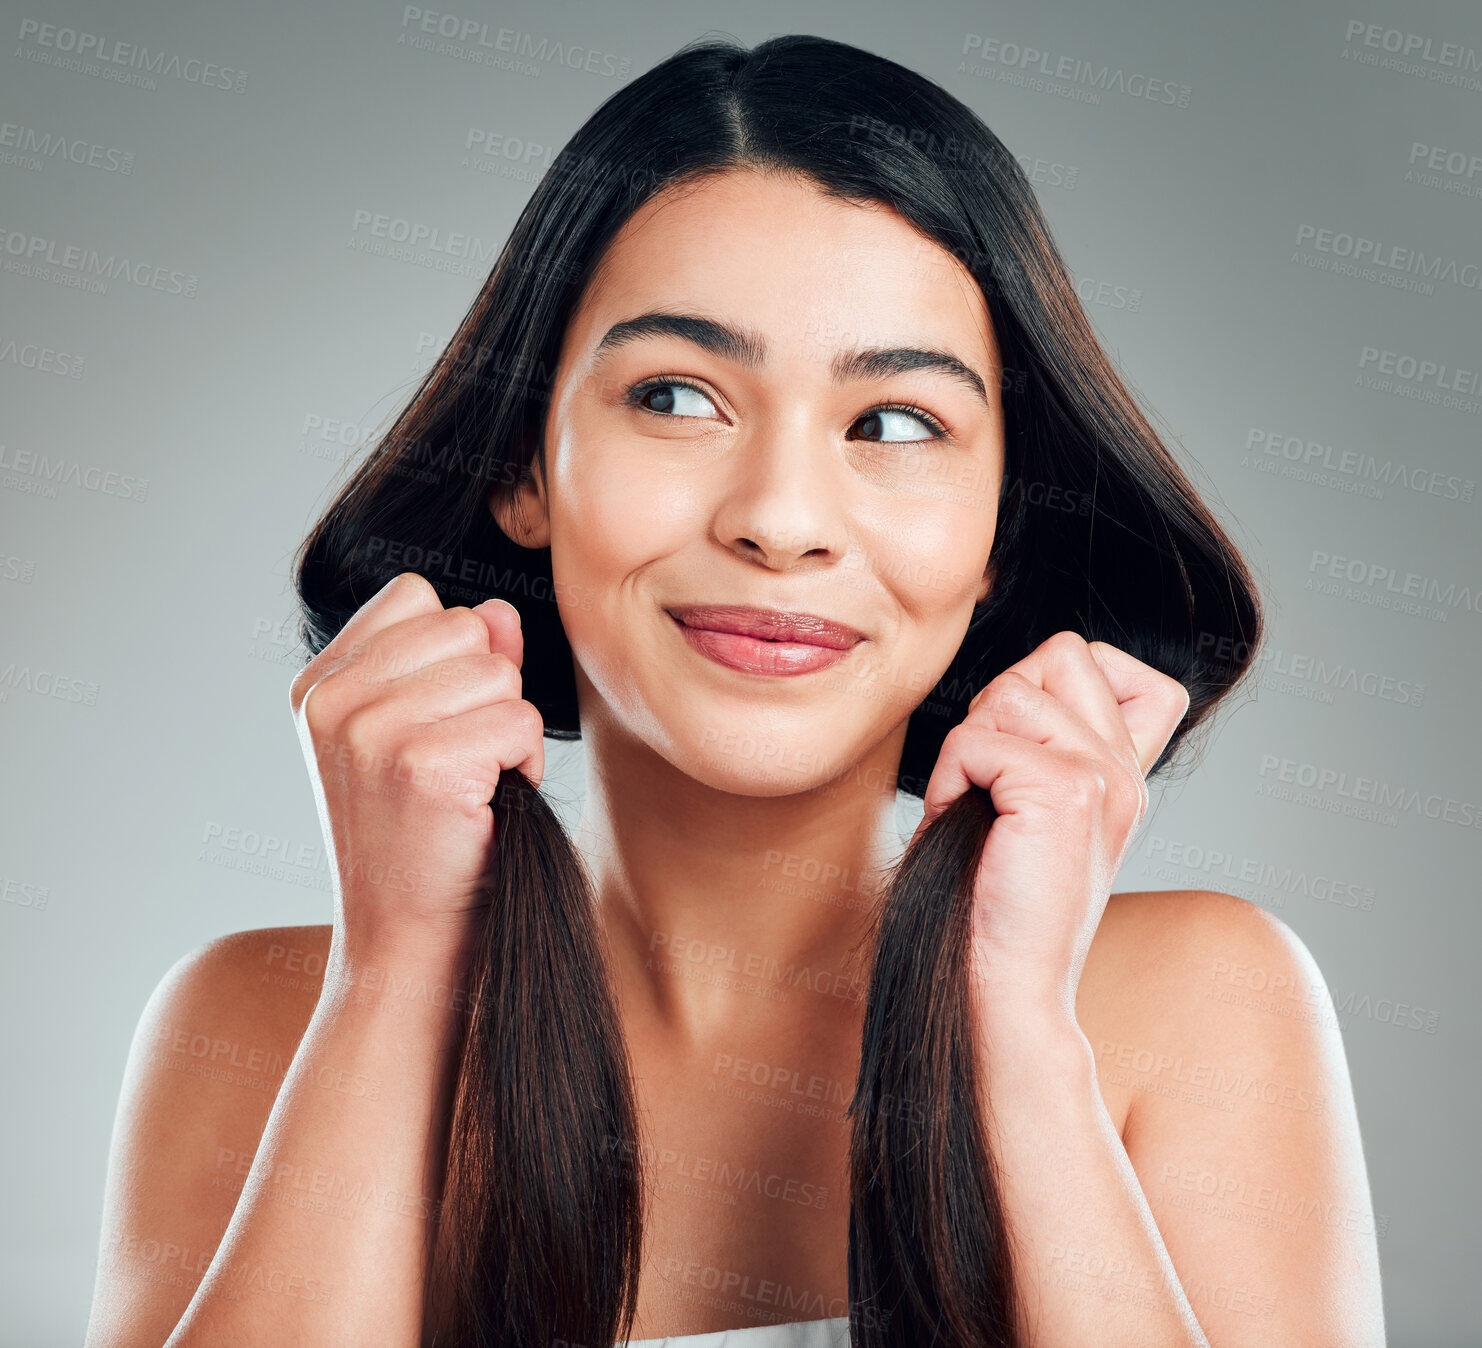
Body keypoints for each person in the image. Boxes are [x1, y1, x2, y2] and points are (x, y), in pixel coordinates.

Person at [83, 32, 1385, 1348]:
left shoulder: (1194, 1003)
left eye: (893, 424)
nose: (780, 520)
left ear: (1000, 534)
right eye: (674, 395)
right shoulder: (247, 1026)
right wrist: (395, 980)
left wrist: (1022, 1041)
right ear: (522, 469)